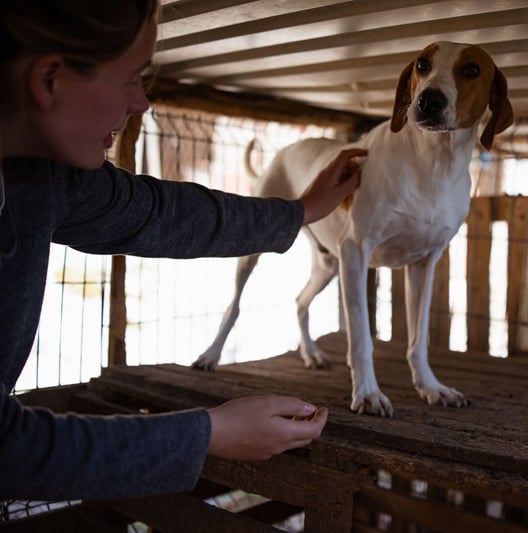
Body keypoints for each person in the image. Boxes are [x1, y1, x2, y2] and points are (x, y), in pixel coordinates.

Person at [0, 0, 366, 500]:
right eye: (133, 78)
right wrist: (206, 434)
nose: (142, 103)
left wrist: (299, 211)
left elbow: (160, 213)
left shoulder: (39, 175)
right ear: (48, 80)